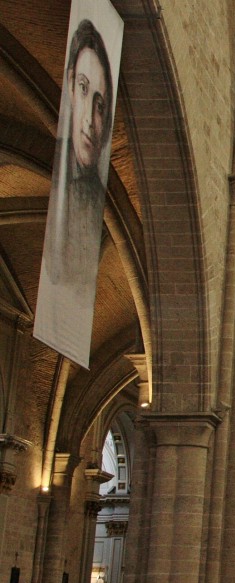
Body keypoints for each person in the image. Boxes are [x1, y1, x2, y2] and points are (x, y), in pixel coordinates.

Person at [36, 17, 116, 361]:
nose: (88, 121)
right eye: (83, 88)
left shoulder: (94, 192)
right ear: (70, 85)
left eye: (100, 106)